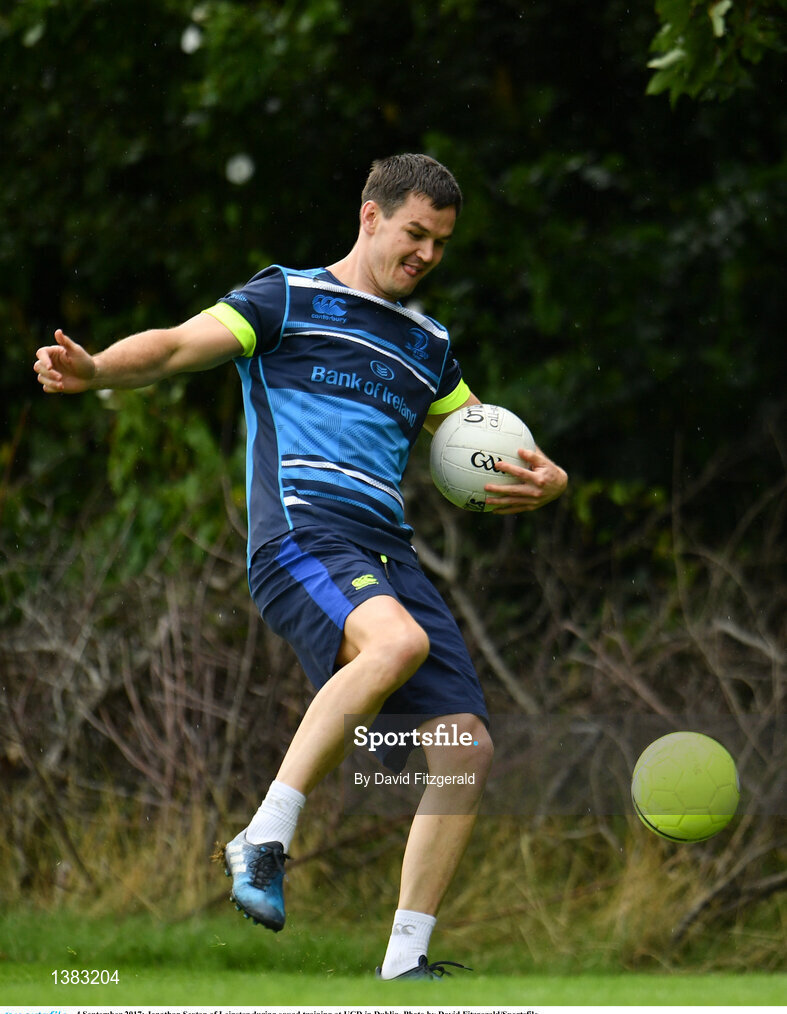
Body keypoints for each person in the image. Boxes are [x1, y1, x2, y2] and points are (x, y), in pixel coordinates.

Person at [34, 153, 567, 979]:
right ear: (370, 216)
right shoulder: (285, 298)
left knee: (465, 747)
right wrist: (100, 369)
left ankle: (405, 964)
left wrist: (548, 476)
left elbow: (492, 444)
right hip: (301, 536)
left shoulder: (427, 344)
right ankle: (264, 835)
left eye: (440, 242)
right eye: (414, 233)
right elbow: (178, 347)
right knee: (393, 647)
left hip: (388, 553)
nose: (425, 253)